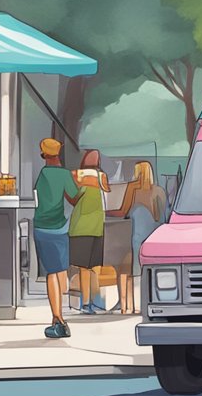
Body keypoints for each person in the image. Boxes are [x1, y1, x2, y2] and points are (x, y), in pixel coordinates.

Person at [107, 161, 169, 316]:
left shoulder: (132, 190)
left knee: (132, 272)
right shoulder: (159, 191)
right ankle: (150, 304)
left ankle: (132, 307)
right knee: (150, 271)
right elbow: (165, 216)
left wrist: (107, 212)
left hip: (135, 237)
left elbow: (124, 212)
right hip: (154, 237)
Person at [34, 139, 81, 339]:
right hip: (59, 228)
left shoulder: (43, 174)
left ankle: (58, 317)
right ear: (58, 154)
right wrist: (78, 182)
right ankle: (58, 318)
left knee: (53, 273)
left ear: (44, 155)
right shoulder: (63, 174)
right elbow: (74, 197)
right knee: (58, 271)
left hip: (41, 228)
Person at [69, 149, 110, 315]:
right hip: (97, 227)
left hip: (81, 228)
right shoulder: (102, 180)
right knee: (94, 267)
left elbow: (73, 198)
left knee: (83, 268)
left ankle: (85, 303)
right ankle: (95, 301)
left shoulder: (78, 178)